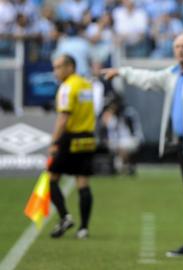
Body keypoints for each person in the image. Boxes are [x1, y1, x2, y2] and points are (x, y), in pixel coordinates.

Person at [101, 33, 183, 258]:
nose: (181, 50)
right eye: (177, 46)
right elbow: (148, 78)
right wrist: (122, 72)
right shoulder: (172, 75)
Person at [48, 54, 96, 239]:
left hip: (70, 137)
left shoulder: (67, 87)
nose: (55, 72)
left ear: (70, 67)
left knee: (52, 178)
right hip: (87, 137)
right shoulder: (86, 85)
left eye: (58, 67)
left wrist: (54, 142)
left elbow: (63, 117)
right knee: (83, 182)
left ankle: (64, 217)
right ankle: (83, 228)